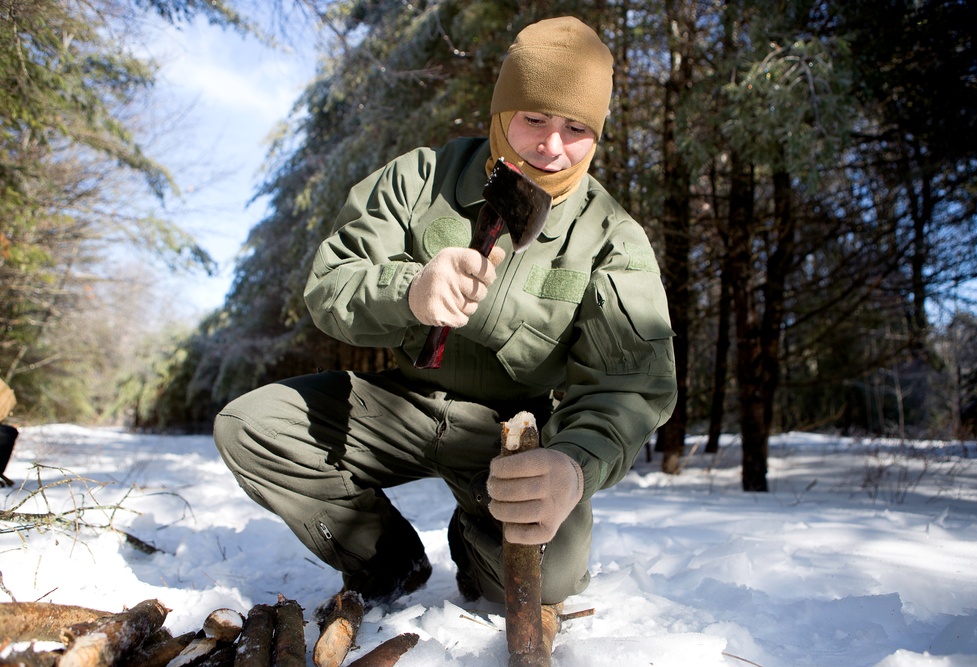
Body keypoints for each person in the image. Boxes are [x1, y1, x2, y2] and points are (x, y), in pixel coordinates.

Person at [214, 14, 676, 638]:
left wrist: (573, 464)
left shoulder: (611, 238)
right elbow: (329, 285)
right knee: (252, 427)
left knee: (552, 580)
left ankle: (475, 534)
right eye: (534, 118)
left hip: (512, 436)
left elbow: (631, 385)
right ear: (500, 111)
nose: (551, 146)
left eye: (577, 128)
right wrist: (408, 289)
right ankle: (388, 563)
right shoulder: (418, 180)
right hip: (399, 405)